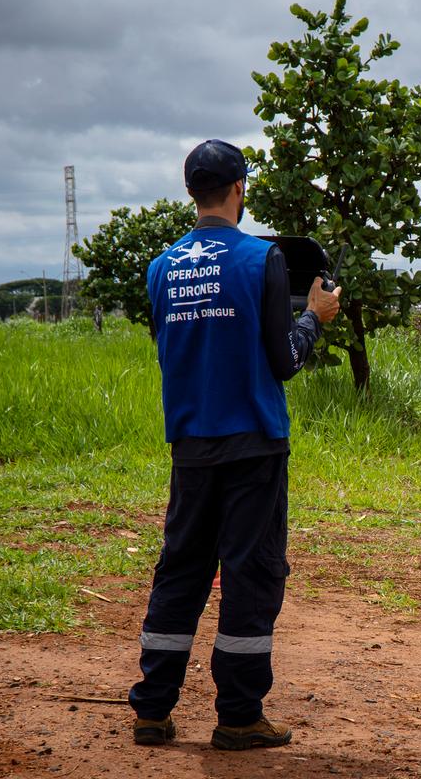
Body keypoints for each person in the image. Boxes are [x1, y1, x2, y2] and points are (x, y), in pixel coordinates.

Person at [129, 139, 341, 750]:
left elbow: (174, 348)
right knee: (250, 576)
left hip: (191, 444)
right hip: (253, 444)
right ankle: (240, 716)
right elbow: (285, 361)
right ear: (240, 189)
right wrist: (313, 318)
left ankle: (152, 710)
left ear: (191, 191)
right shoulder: (262, 259)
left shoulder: (161, 267)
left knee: (180, 572)